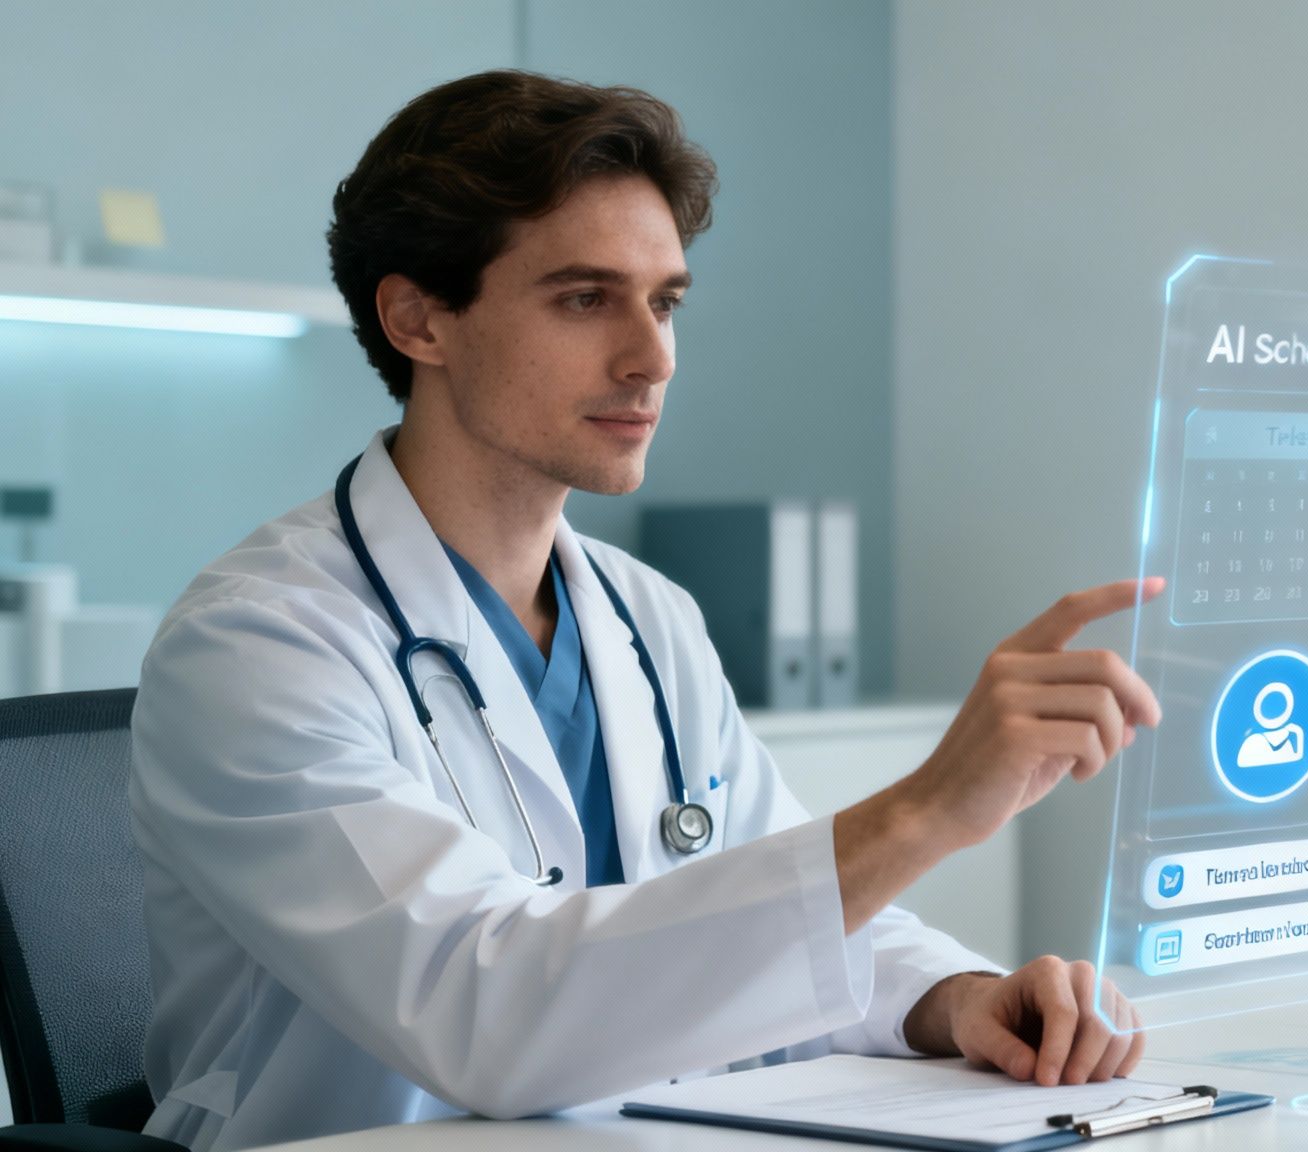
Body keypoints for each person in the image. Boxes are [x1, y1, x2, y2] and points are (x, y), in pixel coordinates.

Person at [129, 70, 1162, 1152]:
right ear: (418, 318)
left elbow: (754, 929)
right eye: (584, 298)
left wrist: (949, 1000)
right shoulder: (258, 645)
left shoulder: (643, 616)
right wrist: (926, 810)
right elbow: (488, 1015)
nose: (651, 357)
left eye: (663, 301)